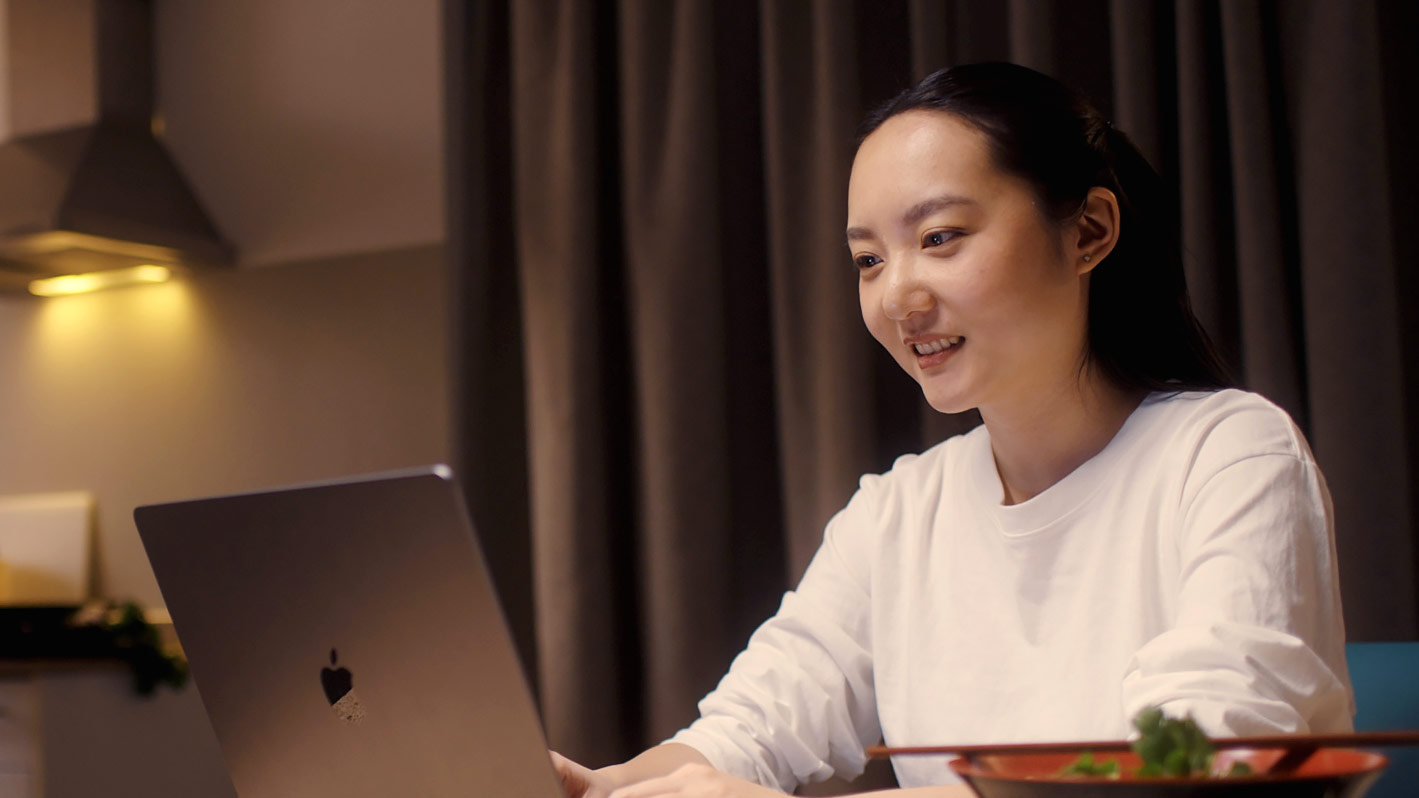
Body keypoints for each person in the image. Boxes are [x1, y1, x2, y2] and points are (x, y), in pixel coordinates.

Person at [551, 62, 1353, 797]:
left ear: (1088, 233)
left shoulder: (1230, 452)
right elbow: (748, 731)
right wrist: (599, 788)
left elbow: (1189, 763)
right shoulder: (897, 514)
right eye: (868, 260)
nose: (898, 296)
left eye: (938, 238)